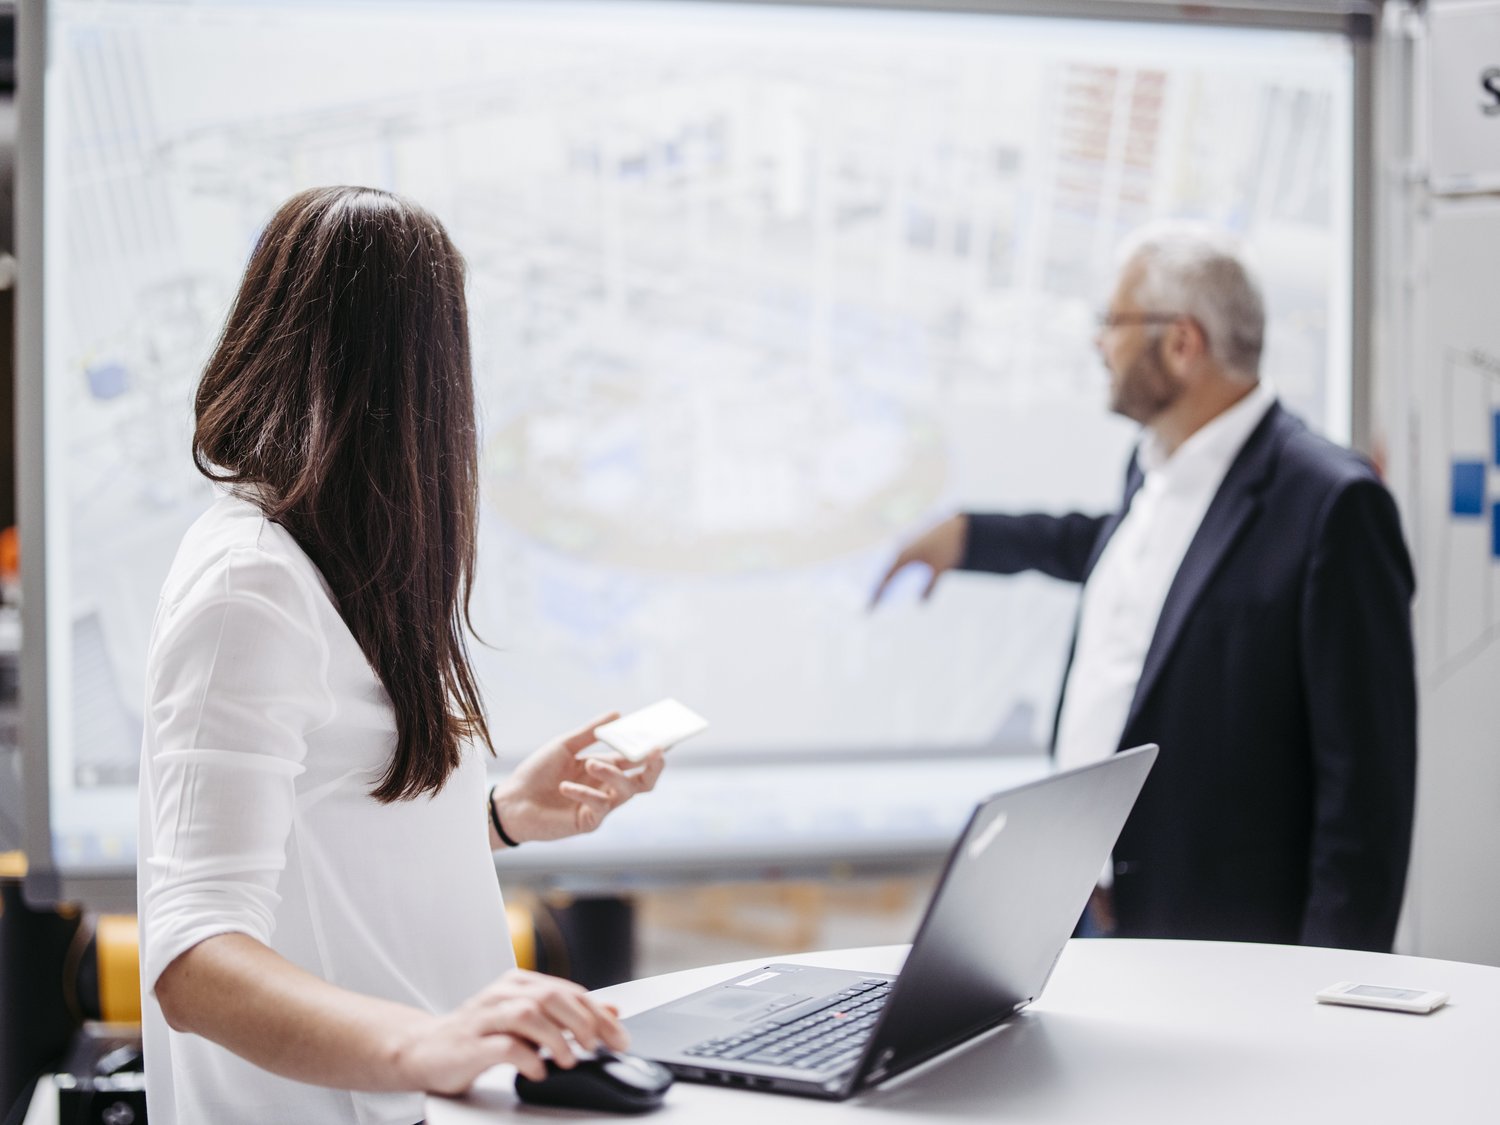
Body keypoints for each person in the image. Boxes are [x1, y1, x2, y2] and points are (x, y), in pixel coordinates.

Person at [137, 186, 668, 1125]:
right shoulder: (247, 586)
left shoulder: (338, 556)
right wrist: (424, 1044)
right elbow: (193, 958)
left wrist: (498, 817)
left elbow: (329, 837)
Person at [870, 224, 1416, 952]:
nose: (1101, 344)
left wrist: (1330, 991)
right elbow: (1120, 559)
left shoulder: (1332, 504)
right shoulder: (1154, 466)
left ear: (1182, 343)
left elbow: (1367, 793)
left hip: (1226, 945)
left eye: (1114, 324)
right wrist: (970, 536)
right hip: (1086, 906)